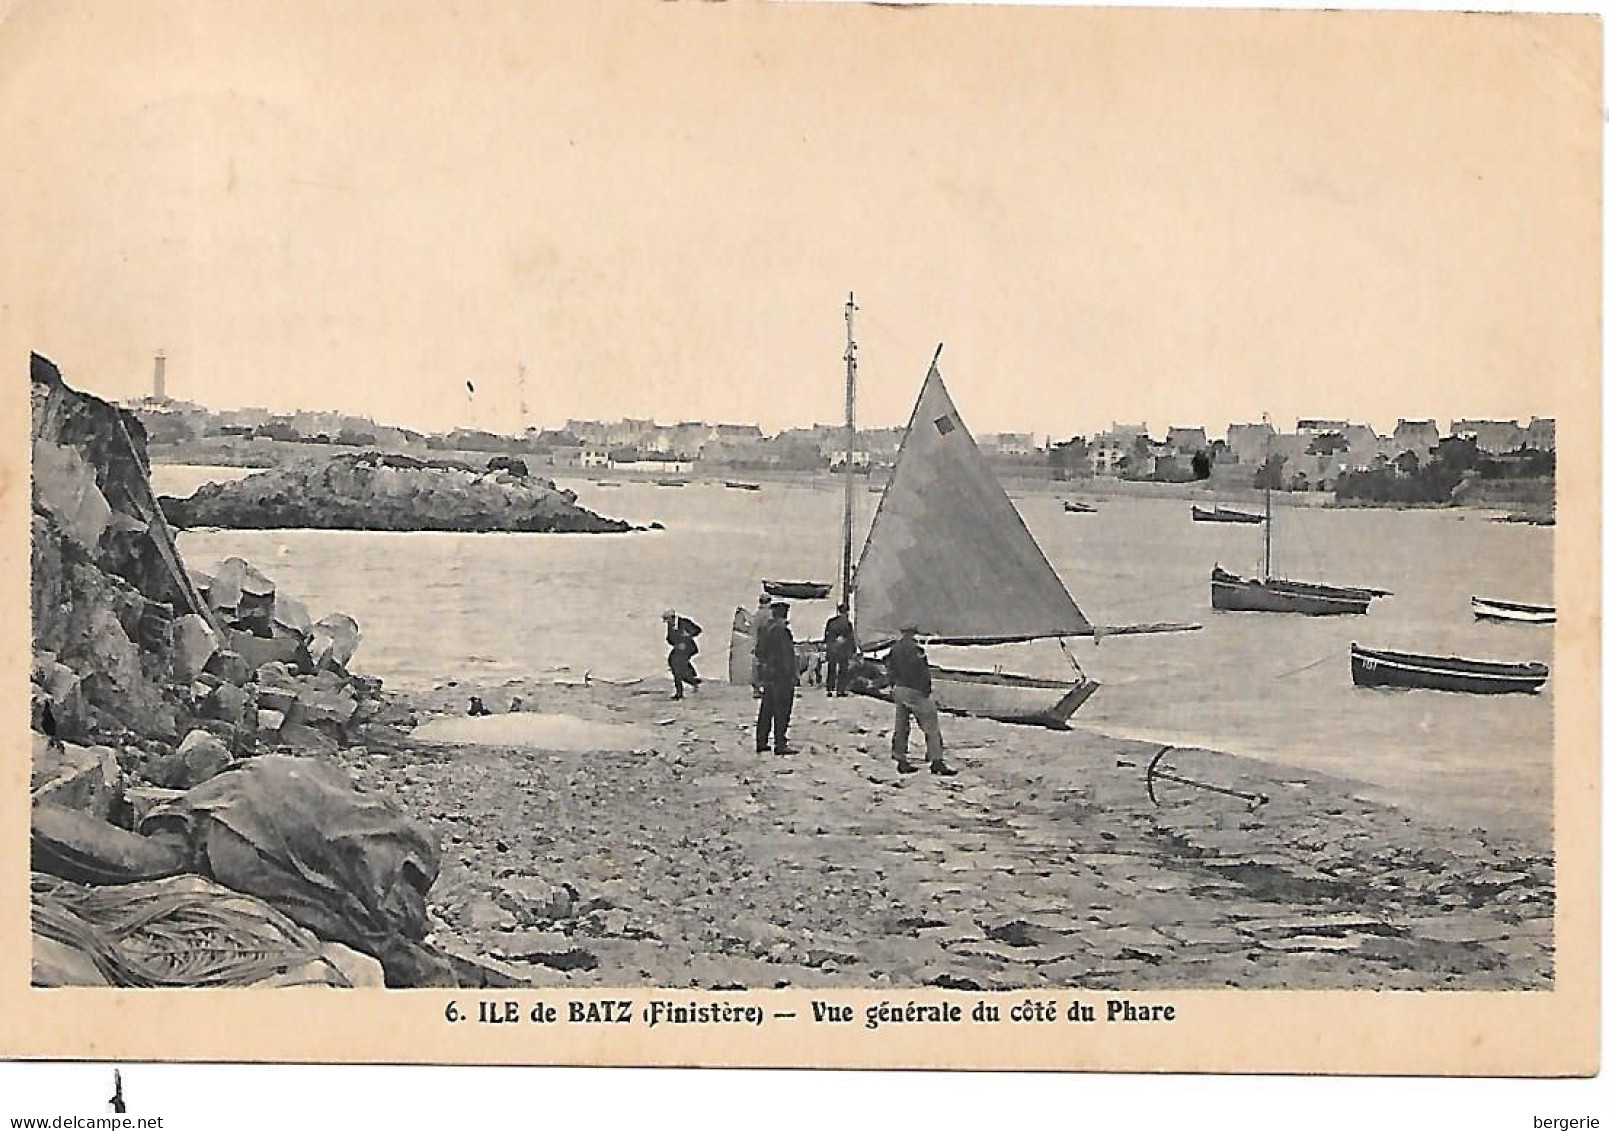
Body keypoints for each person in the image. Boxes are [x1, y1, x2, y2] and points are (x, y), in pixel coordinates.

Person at [885, 622, 954, 775]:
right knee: (931, 726)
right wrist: (926, 690)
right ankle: (936, 761)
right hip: (915, 691)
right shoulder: (916, 649)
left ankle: (900, 758)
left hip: (900, 689)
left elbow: (889, 666)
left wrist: (893, 683)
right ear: (912, 633)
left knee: (901, 726)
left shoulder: (895, 648)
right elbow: (922, 671)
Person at [755, 601, 798, 754]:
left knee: (766, 709)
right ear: (784, 615)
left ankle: (761, 741)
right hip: (781, 676)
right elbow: (787, 656)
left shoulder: (765, 629)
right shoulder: (782, 631)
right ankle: (780, 744)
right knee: (782, 709)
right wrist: (793, 675)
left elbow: (758, 651)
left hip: (768, 675)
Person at [662, 609, 702, 700]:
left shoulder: (684, 622)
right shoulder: (670, 625)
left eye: (667, 620)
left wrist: (688, 635)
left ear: (672, 618)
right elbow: (669, 639)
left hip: (689, 647)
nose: (667, 622)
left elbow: (698, 630)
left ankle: (685, 687)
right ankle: (692, 680)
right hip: (678, 648)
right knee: (672, 662)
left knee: (678, 665)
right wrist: (676, 644)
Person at [822, 603, 857, 696]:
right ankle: (840, 690)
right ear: (847, 612)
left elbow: (826, 635)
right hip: (843, 650)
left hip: (833, 648)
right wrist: (853, 649)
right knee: (843, 670)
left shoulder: (831, 622)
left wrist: (828, 646)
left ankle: (830, 689)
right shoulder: (848, 624)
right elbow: (850, 638)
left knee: (832, 669)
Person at [748, 593, 773, 699]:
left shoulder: (758, 614)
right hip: (766, 644)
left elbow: (753, 631)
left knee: (758, 667)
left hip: (759, 644)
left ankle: (757, 689)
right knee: (765, 667)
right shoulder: (768, 613)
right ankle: (762, 688)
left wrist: (753, 644)